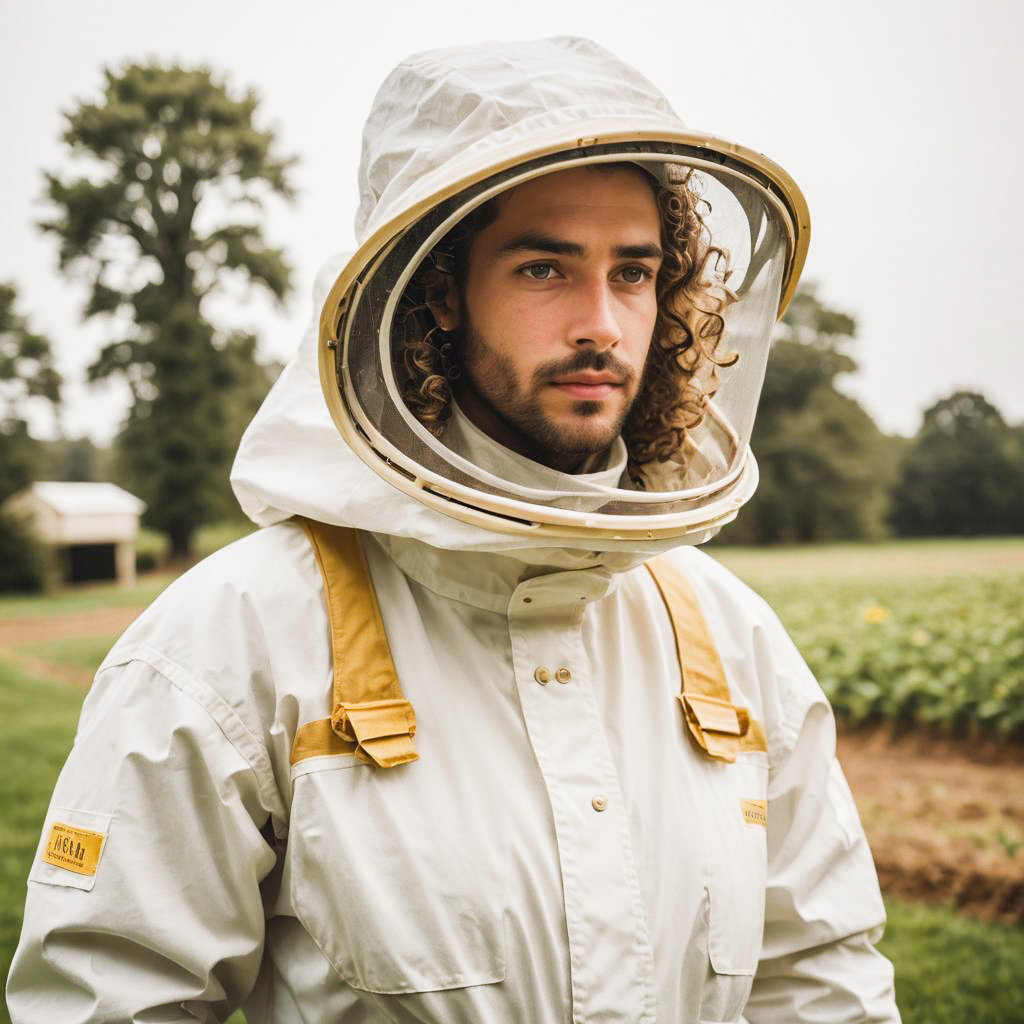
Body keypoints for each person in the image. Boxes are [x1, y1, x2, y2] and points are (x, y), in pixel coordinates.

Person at [8, 37, 901, 1023]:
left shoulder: (737, 646)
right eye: (542, 268)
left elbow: (824, 985)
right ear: (431, 290)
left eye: (634, 271)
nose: (602, 323)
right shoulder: (226, 646)